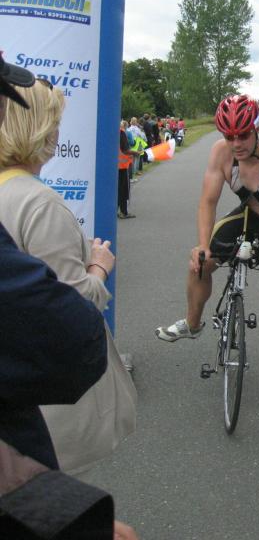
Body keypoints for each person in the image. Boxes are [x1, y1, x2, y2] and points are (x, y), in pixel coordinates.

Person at [0, 80, 137, 475]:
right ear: (42, 129)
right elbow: (71, 306)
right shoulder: (39, 204)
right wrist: (99, 266)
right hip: (48, 406)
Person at [155, 95, 259, 409]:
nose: (236, 143)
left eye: (242, 135)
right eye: (229, 136)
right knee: (200, 263)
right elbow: (208, 201)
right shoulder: (221, 153)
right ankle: (192, 324)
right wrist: (203, 245)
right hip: (247, 217)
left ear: (257, 129)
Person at [118, 121, 136, 218]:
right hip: (122, 166)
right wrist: (135, 153)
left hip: (113, 167)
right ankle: (123, 212)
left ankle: (115, 211)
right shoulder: (121, 133)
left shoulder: (109, 132)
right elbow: (125, 150)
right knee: (124, 190)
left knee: (116, 190)